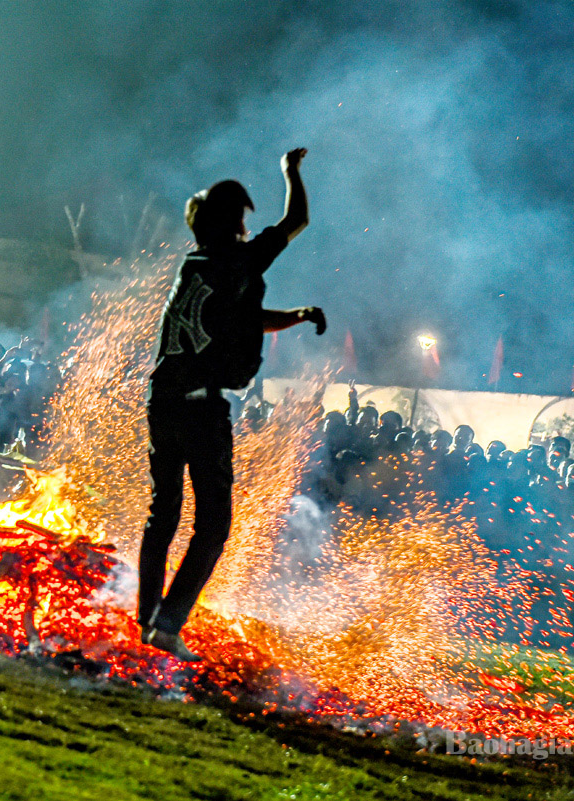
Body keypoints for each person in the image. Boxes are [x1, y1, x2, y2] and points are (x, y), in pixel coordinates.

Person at [137, 149, 324, 661]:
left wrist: (295, 315)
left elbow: (239, 318)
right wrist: (291, 172)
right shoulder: (237, 259)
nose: (246, 225)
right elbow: (298, 219)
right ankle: (168, 625)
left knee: (164, 516)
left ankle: (146, 620)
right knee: (214, 524)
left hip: (162, 402)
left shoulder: (195, 265)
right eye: (241, 217)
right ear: (228, 222)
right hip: (199, 410)